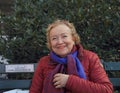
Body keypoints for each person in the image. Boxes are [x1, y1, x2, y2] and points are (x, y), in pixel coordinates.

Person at [29, 19, 113, 93]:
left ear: (73, 39)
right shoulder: (44, 62)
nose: (60, 42)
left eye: (64, 36)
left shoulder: (90, 58)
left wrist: (69, 81)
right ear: (50, 44)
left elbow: (106, 90)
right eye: (54, 38)